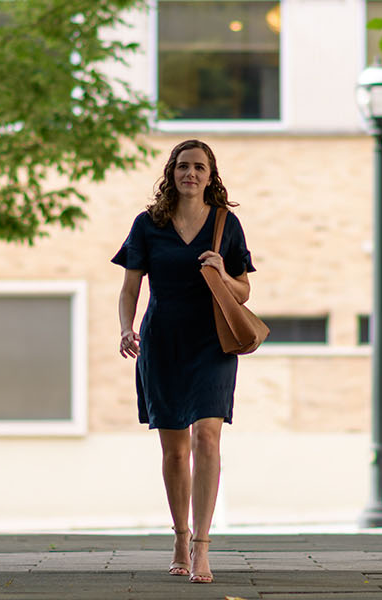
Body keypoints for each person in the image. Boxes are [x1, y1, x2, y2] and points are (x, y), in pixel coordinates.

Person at [113, 139, 254, 584]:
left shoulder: (226, 225)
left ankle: (202, 548)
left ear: (211, 176)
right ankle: (179, 535)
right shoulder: (148, 224)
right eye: (182, 166)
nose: (190, 173)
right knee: (175, 450)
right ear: (171, 173)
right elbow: (130, 287)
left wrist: (223, 271)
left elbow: (244, 291)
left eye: (199, 167)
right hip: (163, 343)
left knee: (207, 439)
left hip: (212, 345)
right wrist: (125, 326)